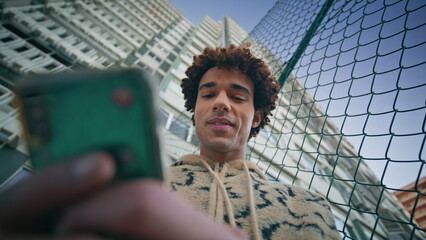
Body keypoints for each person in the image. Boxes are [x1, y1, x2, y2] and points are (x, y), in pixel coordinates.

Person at [0, 45, 340, 239]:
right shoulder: (137, 185)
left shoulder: (306, 207)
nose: (221, 101)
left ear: (257, 117)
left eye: (237, 96)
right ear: (195, 112)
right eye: (209, 93)